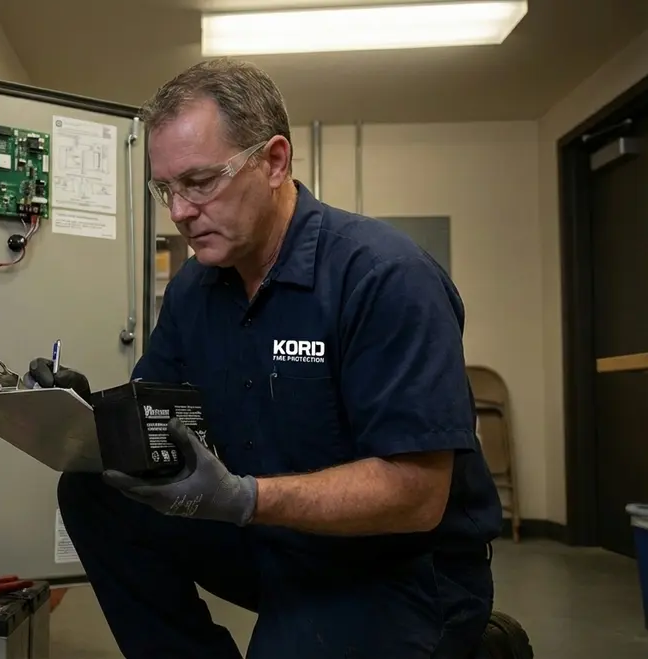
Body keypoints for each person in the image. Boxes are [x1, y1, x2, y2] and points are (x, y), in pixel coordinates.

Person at [27, 58, 504, 659]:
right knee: (92, 492)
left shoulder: (383, 277)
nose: (178, 211)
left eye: (199, 182)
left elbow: (416, 494)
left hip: (398, 569)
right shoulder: (194, 291)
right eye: (165, 189)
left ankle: (478, 646)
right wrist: (92, 413)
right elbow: (160, 425)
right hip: (272, 540)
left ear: (274, 161)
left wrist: (245, 498)